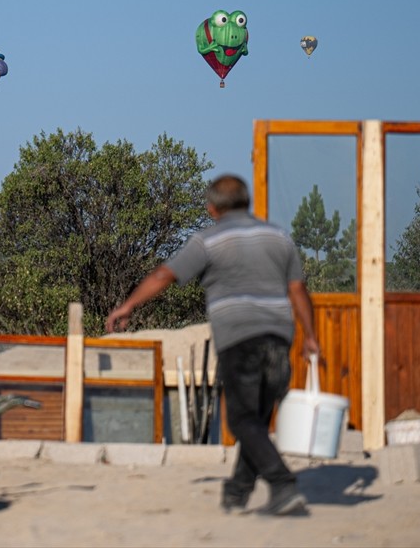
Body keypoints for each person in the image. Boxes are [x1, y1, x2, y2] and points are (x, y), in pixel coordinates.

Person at [106, 174, 320, 517]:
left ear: (212, 208)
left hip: (239, 339)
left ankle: (282, 484)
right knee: (257, 421)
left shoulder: (208, 240)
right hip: (280, 338)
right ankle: (237, 493)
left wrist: (128, 306)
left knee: (241, 420)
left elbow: (164, 275)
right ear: (247, 202)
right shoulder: (279, 237)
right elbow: (297, 290)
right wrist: (310, 336)